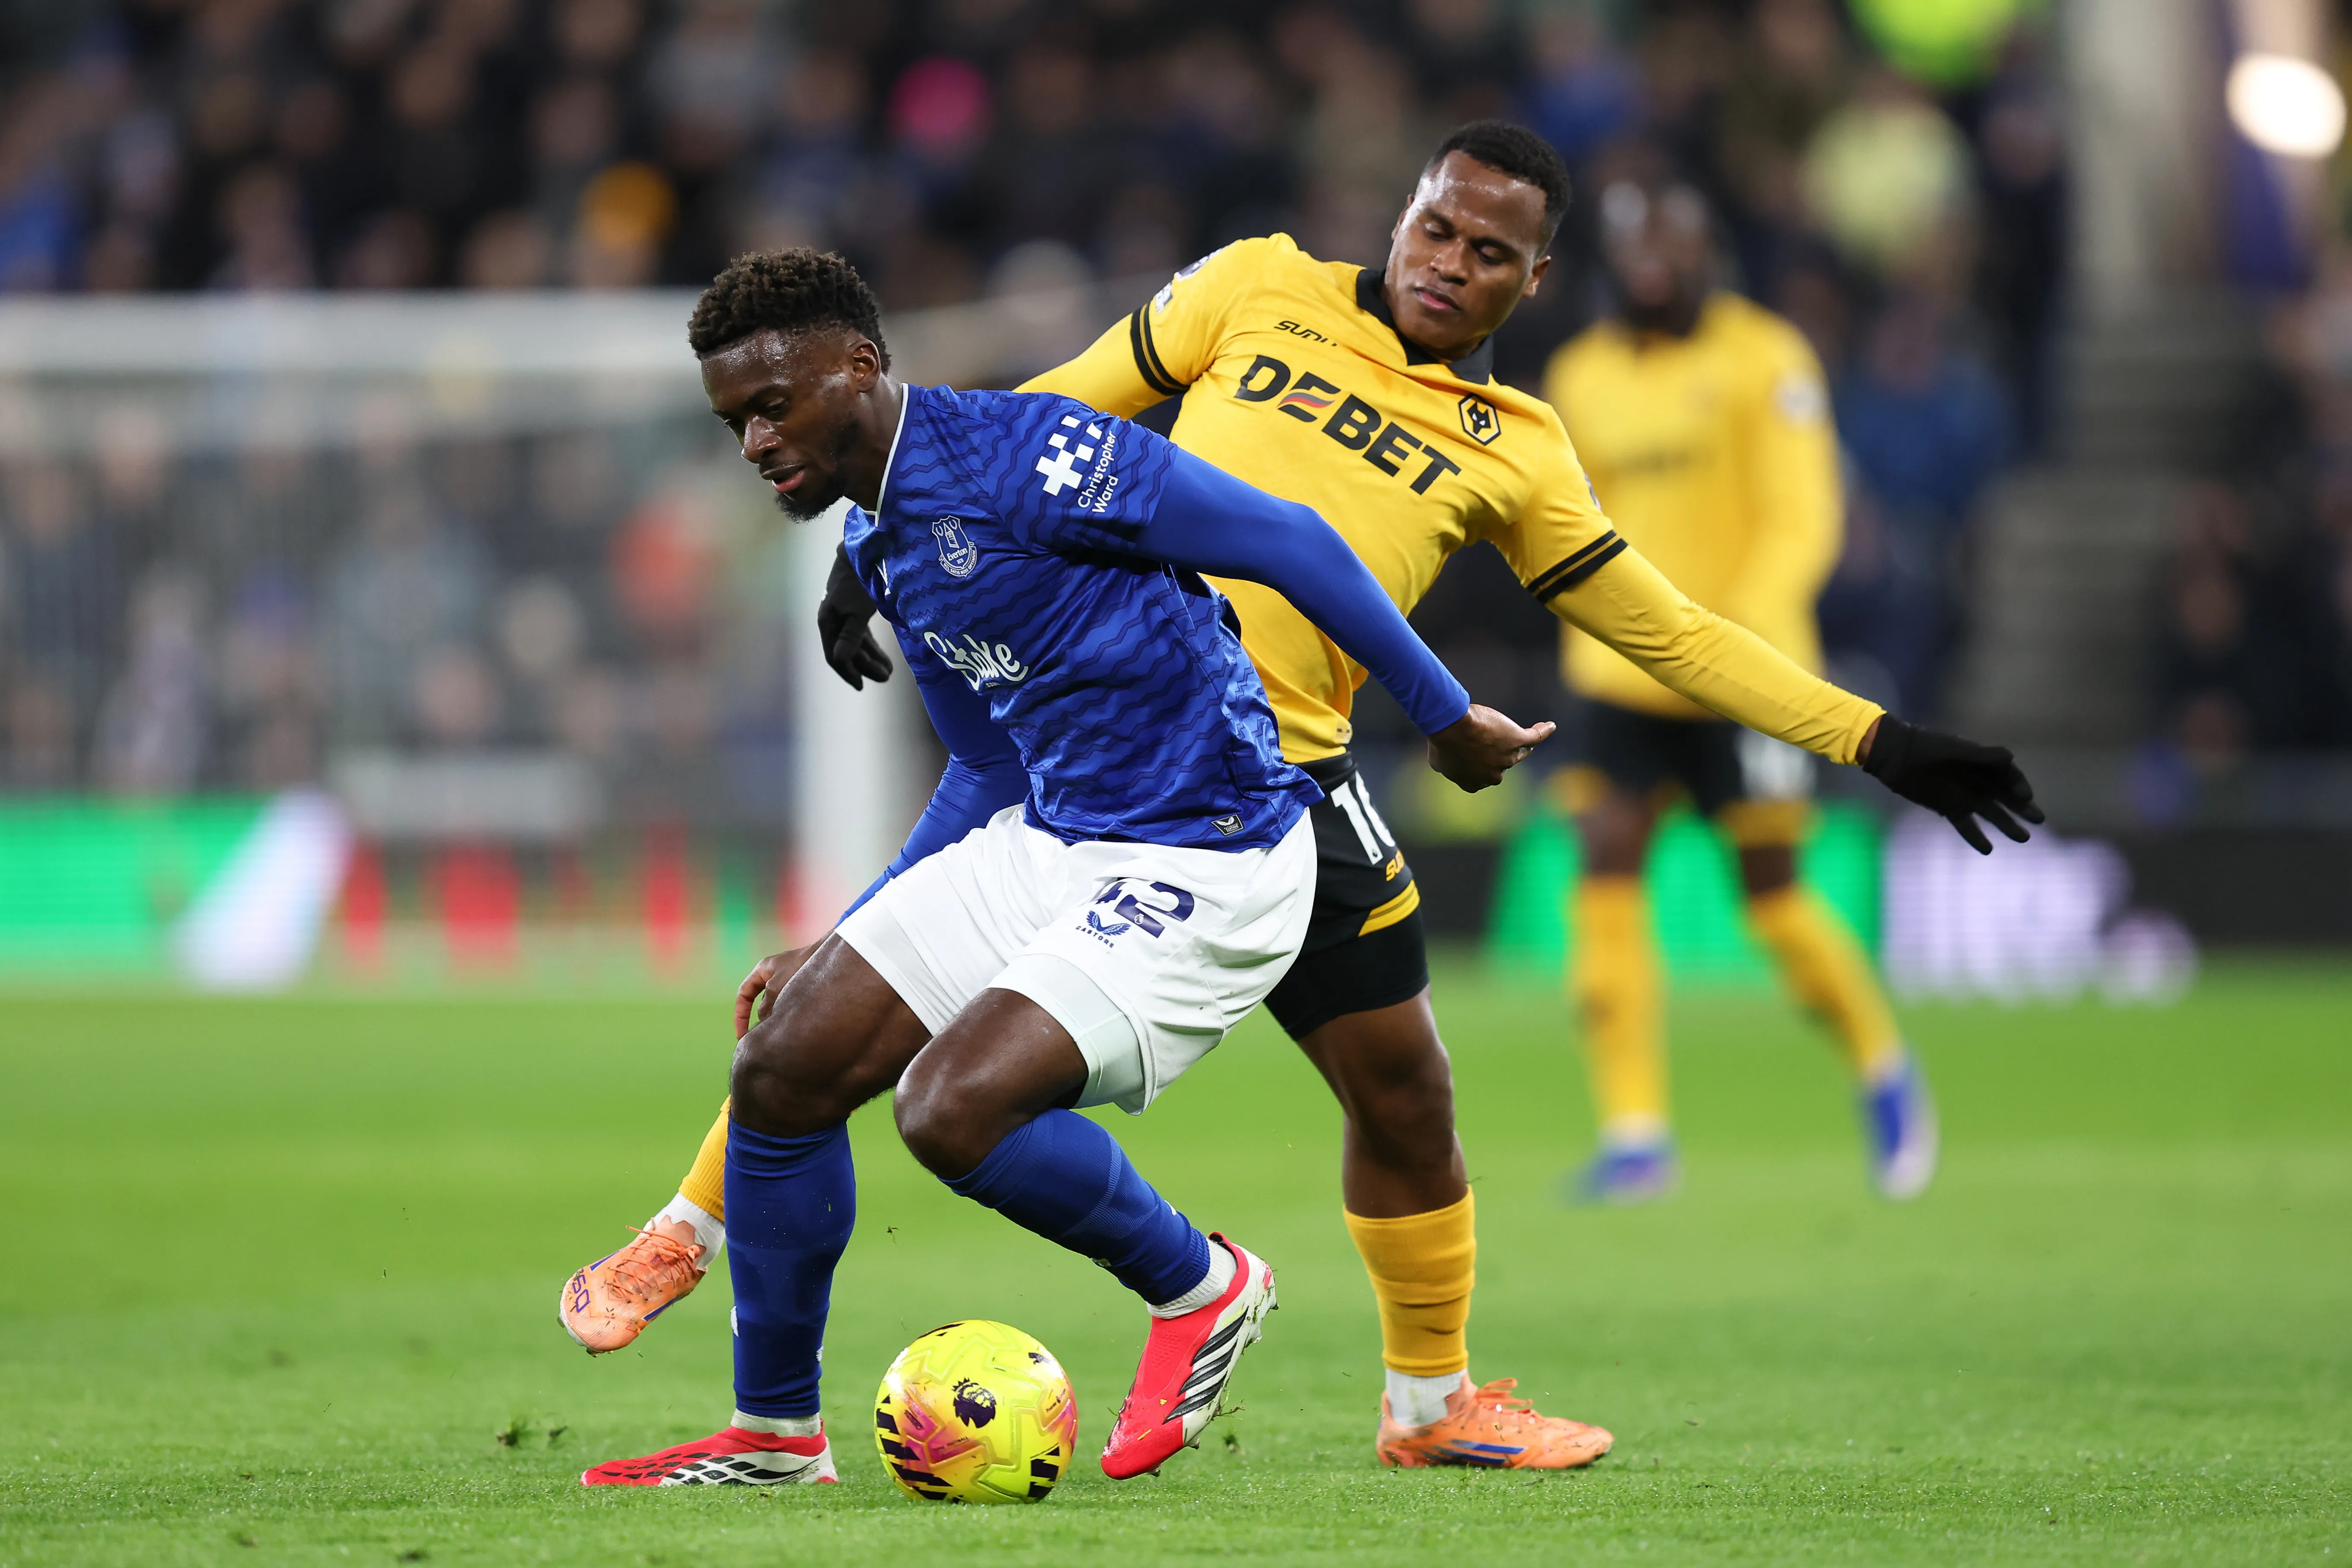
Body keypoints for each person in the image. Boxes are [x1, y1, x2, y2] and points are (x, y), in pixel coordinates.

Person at [566, 123, 2039, 1474]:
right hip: (1085, 756)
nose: (1446, 263)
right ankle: (693, 1233)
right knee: (836, 1013)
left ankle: (1431, 1404)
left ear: (1532, 279)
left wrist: (1875, 740)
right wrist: (871, 540)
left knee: (1403, 1094)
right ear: (1403, 211)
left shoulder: (1515, 446)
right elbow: (1041, 416)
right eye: (1434, 226)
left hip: (1274, 789)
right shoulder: (1255, 285)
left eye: (1486, 252)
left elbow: (1666, 633)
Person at [580, 246, 1560, 1487]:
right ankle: (775, 1438)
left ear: (861, 367)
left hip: (1210, 846)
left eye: (774, 405)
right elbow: (991, 772)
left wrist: (1441, 706)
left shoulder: (1038, 457)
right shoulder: (886, 543)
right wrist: (852, 932)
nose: (755, 442)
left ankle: (1201, 1284)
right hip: (1058, 836)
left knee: (948, 1107)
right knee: (783, 1066)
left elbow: (1289, 540)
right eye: (734, 422)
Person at [1541, 174, 1934, 1203]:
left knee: (1772, 902)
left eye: (1669, 251)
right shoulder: (1581, 376)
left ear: (1704, 253)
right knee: (1603, 866)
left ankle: (1882, 1069)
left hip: (1739, 673)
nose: (1651, 270)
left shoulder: (1767, 359)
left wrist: (1727, 635)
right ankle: (1635, 1134)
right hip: (1617, 676)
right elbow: (1563, 525)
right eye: (1634, 254)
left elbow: (1800, 518)